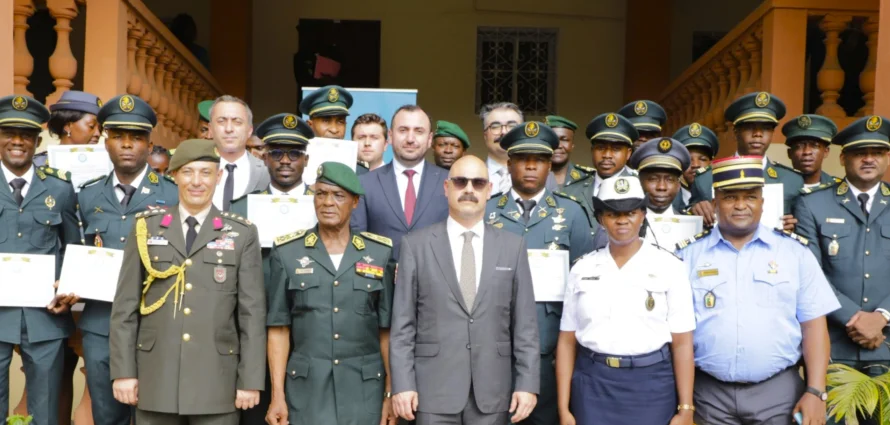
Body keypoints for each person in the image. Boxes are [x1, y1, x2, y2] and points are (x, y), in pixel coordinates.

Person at [109, 138, 266, 425]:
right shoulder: (146, 227)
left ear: (218, 177)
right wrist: (124, 372)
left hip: (217, 381)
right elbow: (125, 308)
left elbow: (251, 314)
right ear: (174, 175)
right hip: (156, 376)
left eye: (206, 173)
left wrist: (251, 379)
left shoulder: (241, 233)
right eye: (188, 172)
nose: (197, 181)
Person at [678, 156, 838, 425]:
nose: (741, 205)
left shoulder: (795, 253)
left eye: (750, 196)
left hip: (778, 394)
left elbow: (814, 326)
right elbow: (679, 331)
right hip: (708, 395)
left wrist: (815, 390)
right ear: (715, 203)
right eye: (730, 197)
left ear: (763, 203)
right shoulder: (687, 256)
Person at [390, 155, 540, 425]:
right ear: (446, 188)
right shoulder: (416, 245)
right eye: (461, 182)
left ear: (489, 190)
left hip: (493, 393)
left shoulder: (512, 247)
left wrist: (527, 384)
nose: (469, 189)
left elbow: (525, 325)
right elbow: (403, 325)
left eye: (478, 183)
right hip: (431, 392)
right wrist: (402, 384)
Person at [265, 161, 397, 425]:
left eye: (338, 196)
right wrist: (277, 395)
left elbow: (387, 331)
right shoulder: (288, 252)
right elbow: (279, 328)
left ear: (355, 202)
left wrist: (389, 394)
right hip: (307, 391)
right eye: (321, 194)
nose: (327, 203)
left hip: (364, 391)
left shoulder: (379, 254)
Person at [556, 174, 695, 425]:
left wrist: (686, 408)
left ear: (643, 215)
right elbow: (567, 342)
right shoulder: (582, 268)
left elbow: (683, 343)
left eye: (631, 213)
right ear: (601, 219)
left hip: (651, 385)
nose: (622, 221)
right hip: (593, 385)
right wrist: (564, 409)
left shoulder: (669, 266)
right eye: (612, 214)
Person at [77, 94, 179, 425]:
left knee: (155, 415)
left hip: (155, 323)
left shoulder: (173, 195)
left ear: (149, 145)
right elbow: (74, 250)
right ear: (106, 142)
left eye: (136, 137)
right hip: (100, 324)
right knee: (106, 415)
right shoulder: (87, 194)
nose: (127, 145)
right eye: (119, 136)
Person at [485, 122, 594, 425]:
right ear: (509, 164)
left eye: (540, 159)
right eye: (522, 158)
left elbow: (583, 288)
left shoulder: (572, 213)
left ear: (550, 164)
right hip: (493, 348)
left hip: (550, 351)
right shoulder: (486, 212)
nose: (531, 166)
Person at [794, 115, 890, 425]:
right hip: (833, 348)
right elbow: (809, 274)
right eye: (860, 152)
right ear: (843, 157)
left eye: (876, 152)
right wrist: (854, 317)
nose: (868, 159)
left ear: (887, 157)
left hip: (887, 345)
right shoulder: (813, 204)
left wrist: (883, 316)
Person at [229, 113, 314, 425]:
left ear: (306, 159)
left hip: (312, 334)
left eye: (294, 153)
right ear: (264, 157)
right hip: (256, 332)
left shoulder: (326, 205)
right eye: (276, 153)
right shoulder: (241, 209)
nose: (285, 161)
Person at [0, 95, 80, 425]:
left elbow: (72, 248)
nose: (17, 141)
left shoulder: (60, 188)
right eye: (9, 132)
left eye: (26, 134)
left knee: (46, 409)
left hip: (45, 316)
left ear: (37, 140)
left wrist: (71, 287)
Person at [687, 92, 804, 229]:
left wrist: (794, 228)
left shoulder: (792, 180)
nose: (758, 134)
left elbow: (804, 228)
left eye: (766, 128)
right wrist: (695, 210)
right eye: (750, 127)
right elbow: (689, 224)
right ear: (736, 131)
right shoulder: (705, 178)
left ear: (773, 133)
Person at [351, 105, 449, 259]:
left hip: (434, 281)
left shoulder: (449, 182)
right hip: (380, 280)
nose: (410, 139)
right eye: (403, 130)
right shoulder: (364, 183)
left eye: (419, 131)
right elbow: (356, 241)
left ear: (430, 139)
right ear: (390, 136)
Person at [559, 113, 638, 234]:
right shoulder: (571, 190)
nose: (607, 155)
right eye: (601, 148)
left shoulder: (640, 188)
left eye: (616, 149)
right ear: (592, 151)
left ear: (628, 153)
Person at [208, 95, 270, 211]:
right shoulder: (193, 171)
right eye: (221, 121)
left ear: (249, 130)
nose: (229, 129)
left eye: (237, 122)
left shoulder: (266, 172)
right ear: (210, 129)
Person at [300, 85, 370, 174]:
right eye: (326, 120)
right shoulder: (297, 168)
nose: (334, 129)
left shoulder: (360, 172)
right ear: (310, 125)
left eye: (340, 122)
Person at [33, 90, 102, 166]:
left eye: (100, 128)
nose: (98, 134)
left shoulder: (103, 165)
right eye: (91, 126)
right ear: (68, 126)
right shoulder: (38, 165)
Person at [783, 114, 838, 188]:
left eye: (814, 145)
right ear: (789, 153)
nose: (807, 152)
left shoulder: (837, 189)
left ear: (826, 152)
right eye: (799, 146)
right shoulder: (776, 188)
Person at [672, 123, 719, 209]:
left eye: (702, 159)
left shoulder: (720, 197)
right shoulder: (668, 198)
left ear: (711, 164)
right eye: (689, 160)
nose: (696, 165)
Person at [481, 102, 523, 195]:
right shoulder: (472, 177)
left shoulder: (539, 177)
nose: (504, 132)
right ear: (485, 135)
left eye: (512, 126)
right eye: (495, 126)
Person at [545, 115, 593, 189]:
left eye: (564, 140)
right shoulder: (532, 176)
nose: (559, 145)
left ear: (572, 146)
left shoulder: (587, 178)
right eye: (553, 140)